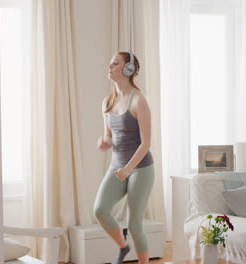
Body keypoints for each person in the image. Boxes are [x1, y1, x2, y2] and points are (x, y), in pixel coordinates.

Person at [94, 51, 155, 264]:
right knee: (100, 210)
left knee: (135, 224)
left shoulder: (139, 101)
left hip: (140, 168)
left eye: (115, 63)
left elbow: (146, 143)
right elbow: (109, 136)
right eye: (110, 63)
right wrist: (105, 142)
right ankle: (123, 246)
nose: (109, 67)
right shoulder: (107, 103)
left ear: (128, 69)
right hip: (117, 166)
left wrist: (129, 168)